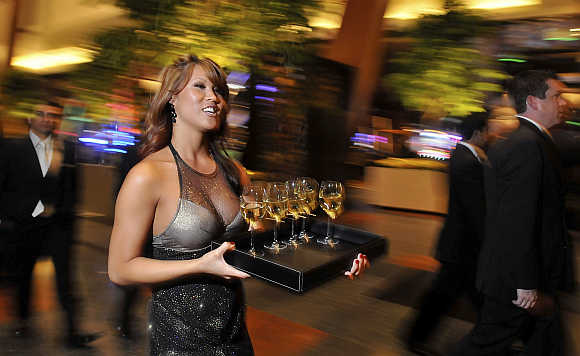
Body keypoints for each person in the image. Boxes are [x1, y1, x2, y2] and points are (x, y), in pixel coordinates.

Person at [107, 54, 369, 355]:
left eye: (219, 90)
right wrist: (199, 265)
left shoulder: (234, 172)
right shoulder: (147, 175)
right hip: (179, 340)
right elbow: (120, 269)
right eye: (200, 86)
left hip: (235, 336)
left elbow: (264, 239)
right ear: (171, 100)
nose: (213, 97)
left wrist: (333, 258)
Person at [451, 70, 575, 356]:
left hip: (532, 276)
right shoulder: (526, 146)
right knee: (484, 344)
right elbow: (517, 221)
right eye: (557, 96)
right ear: (533, 101)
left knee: (547, 343)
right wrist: (525, 286)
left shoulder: (536, 141)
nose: (564, 102)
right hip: (516, 281)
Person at [0, 98, 102, 347]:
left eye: (53, 115)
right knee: (23, 275)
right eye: (42, 114)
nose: (48, 119)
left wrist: (70, 215)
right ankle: (22, 322)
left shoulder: (66, 148)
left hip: (58, 225)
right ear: (30, 118)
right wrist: (8, 218)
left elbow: (73, 187)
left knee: (66, 279)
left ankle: (73, 331)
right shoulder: (13, 148)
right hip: (24, 224)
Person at [406, 112, 488, 355]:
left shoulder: (464, 156)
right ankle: (415, 338)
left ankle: (416, 338)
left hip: (461, 245)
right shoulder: (467, 161)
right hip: (462, 247)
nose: (490, 135)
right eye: (487, 131)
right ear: (478, 133)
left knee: (458, 296)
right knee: (443, 297)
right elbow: (475, 210)